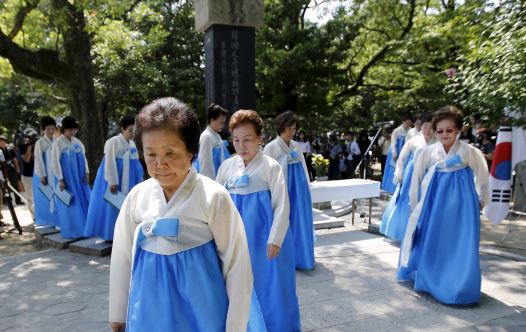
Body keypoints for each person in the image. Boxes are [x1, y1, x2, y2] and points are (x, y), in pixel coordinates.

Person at [109, 97, 264, 332]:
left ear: (190, 151)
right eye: (151, 154)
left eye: (170, 153)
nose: (160, 163)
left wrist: (235, 326)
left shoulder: (214, 197)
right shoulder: (136, 197)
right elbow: (122, 255)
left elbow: (237, 266)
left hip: (203, 310)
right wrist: (118, 313)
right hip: (150, 308)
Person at [217, 109, 301, 332]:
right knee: (237, 287)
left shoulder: (270, 167)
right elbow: (216, 204)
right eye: (236, 140)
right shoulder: (227, 167)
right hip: (236, 240)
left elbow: (282, 205)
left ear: (259, 139)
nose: (241, 146)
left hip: (265, 241)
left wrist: (275, 239)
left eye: (247, 140)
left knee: (270, 288)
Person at [398, 106, 489, 305]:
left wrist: (482, 200)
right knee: (434, 240)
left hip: (463, 206)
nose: (444, 134)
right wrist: (414, 204)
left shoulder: (469, 152)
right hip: (435, 203)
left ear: (458, 130)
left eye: (449, 130)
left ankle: (460, 285)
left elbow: (482, 176)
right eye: (440, 131)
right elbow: (416, 179)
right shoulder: (427, 152)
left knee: (460, 243)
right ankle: (431, 281)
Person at [263, 110, 315, 270]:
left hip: (299, 192)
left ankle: (303, 257)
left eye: (294, 129)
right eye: (289, 128)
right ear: (281, 127)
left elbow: (305, 169)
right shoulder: (271, 147)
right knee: (285, 221)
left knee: (300, 222)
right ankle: (287, 260)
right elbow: (267, 172)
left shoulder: (295, 146)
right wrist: (286, 160)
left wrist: (307, 188)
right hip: (284, 190)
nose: (292, 132)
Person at [84, 115, 144, 241]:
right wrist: (112, 182)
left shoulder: (132, 144)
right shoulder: (112, 142)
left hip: (130, 178)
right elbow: (109, 162)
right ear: (122, 129)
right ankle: (111, 234)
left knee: (129, 203)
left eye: (135, 131)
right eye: (130, 130)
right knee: (113, 205)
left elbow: (136, 162)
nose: (132, 133)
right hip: (117, 177)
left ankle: (128, 233)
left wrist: (140, 179)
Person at [380, 113, 436, 241]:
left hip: (430, 177)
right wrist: (399, 173)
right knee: (407, 203)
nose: (427, 131)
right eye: (425, 127)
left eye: (431, 128)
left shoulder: (438, 142)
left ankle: (423, 235)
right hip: (411, 177)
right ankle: (403, 233)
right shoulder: (413, 140)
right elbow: (402, 158)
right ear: (421, 127)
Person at [51, 116, 91, 238]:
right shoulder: (58, 143)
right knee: (71, 202)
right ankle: (73, 229)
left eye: (74, 130)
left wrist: (87, 172)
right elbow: (55, 161)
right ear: (64, 130)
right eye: (69, 130)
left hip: (79, 177)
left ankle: (85, 227)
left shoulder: (77, 142)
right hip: (67, 178)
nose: (72, 133)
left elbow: (84, 158)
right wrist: (60, 178)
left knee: (83, 200)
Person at [33, 116, 57, 227]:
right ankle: (46, 220)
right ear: (43, 129)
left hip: (55, 173)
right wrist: (42, 175)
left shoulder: (56, 140)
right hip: (44, 173)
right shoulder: (40, 142)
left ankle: (55, 219)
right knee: (45, 198)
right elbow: (38, 160)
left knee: (55, 196)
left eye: (53, 129)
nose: (51, 131)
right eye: (48, 129)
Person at [195, 103, 231, 179]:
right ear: (212, 120)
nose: (223, 125)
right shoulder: (207, 136)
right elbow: (206, 164)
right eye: (221, 122)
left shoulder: (215, 135)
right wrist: (210, 184)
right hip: (212, 181)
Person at [381, 115, 412, 193]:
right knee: (394, 170)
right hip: (396, 151)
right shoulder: (397, 131)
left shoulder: (410, 130)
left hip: (405, 151)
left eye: (409, 123)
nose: (408, 125)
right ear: (403, 122)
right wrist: (394, 153)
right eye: (407, 123)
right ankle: (391, 188)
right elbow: (393, 143)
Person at [19, 128, 39, 220]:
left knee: (38, 196)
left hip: (37, 174)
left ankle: (39, 214)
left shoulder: (37, 145)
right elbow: (26, 159)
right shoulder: (23, 146)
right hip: (27, 175)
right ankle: (34, 216)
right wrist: (29, 147)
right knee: (30, 197)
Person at [0, 135, 23, 205]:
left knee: (15, 184)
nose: (1, 142)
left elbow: (14, 159)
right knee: (4, 185)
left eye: (2, 141)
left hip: (11, 168)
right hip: (3, 170)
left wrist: (17, 167)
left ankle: (18, 199)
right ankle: (5, 200)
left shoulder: (9, 149)